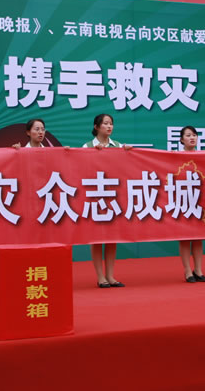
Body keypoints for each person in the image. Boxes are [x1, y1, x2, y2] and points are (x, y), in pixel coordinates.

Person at [83, 114, 131, 287]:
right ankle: (100, 277)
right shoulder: (87, 146)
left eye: (111, 124)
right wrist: (93, 155)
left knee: (112, 238)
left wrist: (128, 153)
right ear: (96, 127)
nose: (109, 126)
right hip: (95, 196)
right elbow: (81, 169)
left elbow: (124, 169)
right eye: (105, 124)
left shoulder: (117, 146)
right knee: (97, 239)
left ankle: (110, 276)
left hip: (112, 196)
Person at [178, 126, 205, 283]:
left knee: (198, 237)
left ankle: (198, 269)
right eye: (188, 135)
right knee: (185, 237)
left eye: (194, 135)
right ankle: (187, 270)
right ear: (181, 140)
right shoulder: (175, 156)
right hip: (182, 200)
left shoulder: (203, 156)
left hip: (199, 200)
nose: (192, 138)